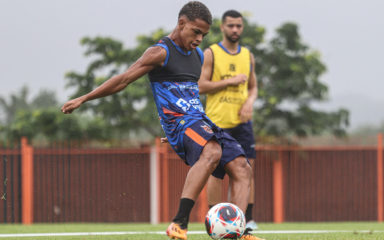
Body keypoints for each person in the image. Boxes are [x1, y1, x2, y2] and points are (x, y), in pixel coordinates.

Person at [61, 2, 263, 240]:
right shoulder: (160, 52)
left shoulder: (198, 55)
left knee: (242, 165)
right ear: (181, 24)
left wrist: (190, 134)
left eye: (204, 34)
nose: (200, 39)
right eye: (196, 32)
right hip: (181, 124)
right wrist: (85, 98)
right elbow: (123, 79)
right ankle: (179, 222)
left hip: (198, 122)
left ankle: (239, 232)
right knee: (213, 151)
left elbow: (190, 96)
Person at [198, 10, 259, 230]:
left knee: (246, 169)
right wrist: (229, 82)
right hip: (217, 122)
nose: (235, 30)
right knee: (216, 171)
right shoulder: (211, 53)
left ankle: (246, 220)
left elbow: (253, 87)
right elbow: (200, 86)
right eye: (231, 26)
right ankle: (214, 218)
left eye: (238, 26)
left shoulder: (247, 56)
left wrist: (250, 102)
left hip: (242, 124)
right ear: (223, 27)